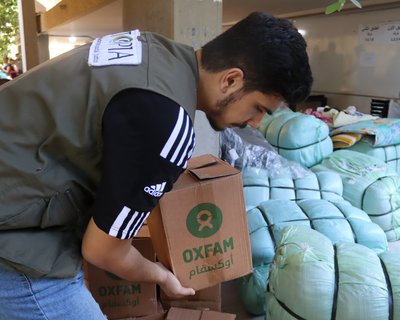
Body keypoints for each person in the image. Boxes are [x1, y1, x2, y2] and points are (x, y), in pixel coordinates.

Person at [0, 12, 312, 320]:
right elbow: (103, 251)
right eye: (259, 108)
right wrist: (161, 276)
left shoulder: (152, 49)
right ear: (231, 79)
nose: (255, 124)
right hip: (13, 231)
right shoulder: (166, 120)